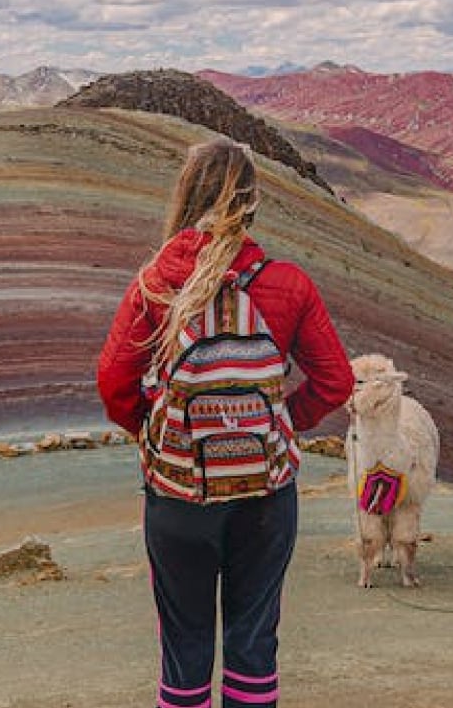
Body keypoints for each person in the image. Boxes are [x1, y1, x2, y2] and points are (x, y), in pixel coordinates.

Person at [97, 138, 353, 707]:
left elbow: (114, 384)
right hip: (266, 494)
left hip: (179, 498)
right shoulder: (288, 284)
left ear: (186, 197)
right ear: (251, 201)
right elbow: (336, 381)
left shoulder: (156, 283)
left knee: (184, 652)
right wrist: (279, 424)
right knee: (254, 649)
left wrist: (159, 435)